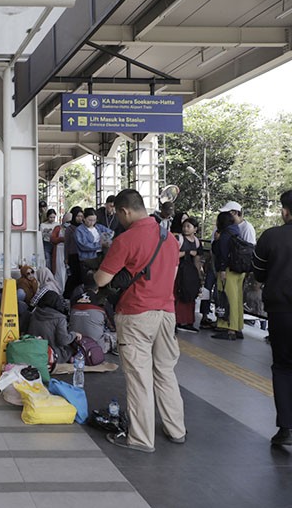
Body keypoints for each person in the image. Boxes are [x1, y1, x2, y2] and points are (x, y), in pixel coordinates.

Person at [94, 189, 185, 453]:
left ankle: (141, 438)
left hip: (136, 314)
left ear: (124, 211)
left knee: (139, 378)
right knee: (165, 372)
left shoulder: (126, 239)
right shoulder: (169, 239)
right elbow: (173, 273)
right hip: (167, 313)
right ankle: (176, 429)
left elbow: (101, 280)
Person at [252, 190, 292, 446]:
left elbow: (258, 273)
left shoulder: (271, 236)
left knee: (283, 367)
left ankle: (286, 428)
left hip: (282, 311)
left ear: (285, 211)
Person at [211, 211, 244, 340]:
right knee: (237, 299)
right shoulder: (236, 230)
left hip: (228, 270)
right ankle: (238, 327)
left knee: (227, 298)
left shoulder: (225, 234)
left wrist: (222, 269)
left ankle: (229, 329)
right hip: (239, 270)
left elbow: (222, 253)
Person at [29, 290, 78, 363]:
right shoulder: (59, 318)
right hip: (52, 354)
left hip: (33, 352)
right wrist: (74, 334)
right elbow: (63, 340)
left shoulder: (34, 314)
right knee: (72, 350)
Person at [175, 217, 203, 332]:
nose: (185, 229)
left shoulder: (197, 242)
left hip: (190, 272)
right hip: (179, 271)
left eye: (188, 226)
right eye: (184, 226)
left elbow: (198, 259)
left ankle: (188, 321)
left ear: (195, 229)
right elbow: (172, 255)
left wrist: (199, 274)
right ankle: (178, 320)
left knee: (190, 295)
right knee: (178, 294)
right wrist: (187, 253)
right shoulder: (178, 239)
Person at [63, 206, 85, 298]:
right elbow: (66, 244)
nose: (80, 218)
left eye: (81, 216)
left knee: (81, 277)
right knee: (74, 276)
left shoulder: (84, 228)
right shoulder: (69, 229)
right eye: (78, 216)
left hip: (83, 255)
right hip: (73, 255)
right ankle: (67, 295)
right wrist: (66, 257)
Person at [51, 212, 71, 293]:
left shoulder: (72, 229)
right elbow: (52, 239)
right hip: (59, 252)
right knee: (59, 272)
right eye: (67, 221)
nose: (68, 223)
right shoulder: (57, 228)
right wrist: (62, 239)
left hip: (68, 252)